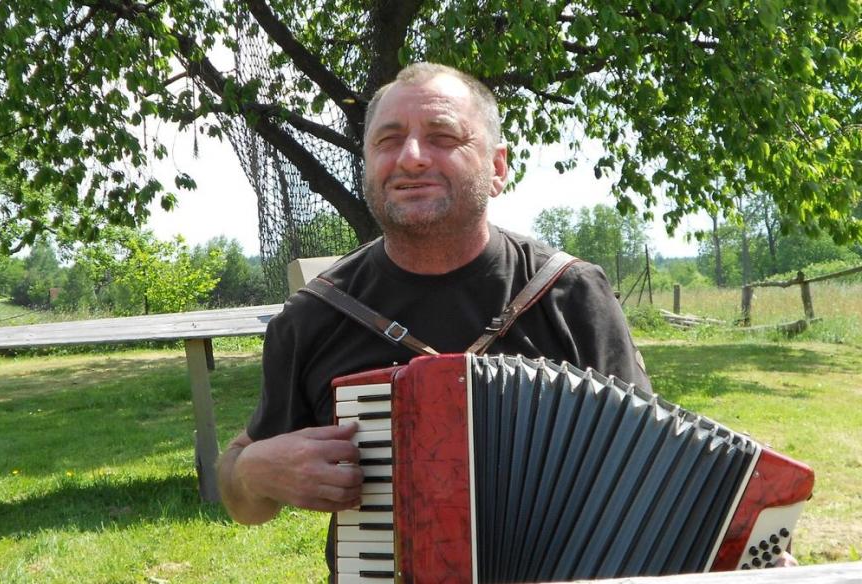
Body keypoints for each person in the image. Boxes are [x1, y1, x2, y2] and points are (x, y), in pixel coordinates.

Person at [216, 62, 652, 572]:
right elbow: (244, 500)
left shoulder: (570, 295)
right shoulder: (314, 316)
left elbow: (650, 467)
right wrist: (250, 473)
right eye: (388, 140)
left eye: (443, 137)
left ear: (497, 167)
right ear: (366, 163)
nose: (412, 158)